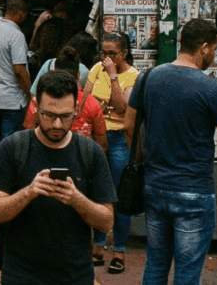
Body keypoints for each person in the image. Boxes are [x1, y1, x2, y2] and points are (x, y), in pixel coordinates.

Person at [128, 19, 217, 285]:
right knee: (187, 272)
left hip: (155, 186)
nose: (213, 56)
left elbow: (129, 125)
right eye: (214, 49)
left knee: (156, 265)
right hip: (194, 192)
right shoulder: (212, 89)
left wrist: (141, 158)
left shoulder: (148, 77)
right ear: (204, 47)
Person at [0, 70, 117, 285]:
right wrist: (29, 192)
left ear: (76, 109)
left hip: (76, 275)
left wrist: (76, 199)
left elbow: (106, 221)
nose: (57, 125)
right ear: (36, 108)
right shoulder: (12, 148)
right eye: (49, 115)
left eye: (66, 116)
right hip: (21, 275)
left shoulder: (90, 152)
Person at [82, 32, 141, 272]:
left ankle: (119, 250)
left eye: (112, 54)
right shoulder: (96, 69)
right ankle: (97, 245)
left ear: (124, 54)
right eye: (103, 53)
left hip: (118, 139)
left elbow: (123, 108)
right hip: (96, 136)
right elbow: (86, 100)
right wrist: (103, 107)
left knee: (119, 196)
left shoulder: (133, 76)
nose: (106, 58)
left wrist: (114, 78)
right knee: (97, 193)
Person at [23, 47, 107, 151]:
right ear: (78, 74)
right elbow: (102, 144)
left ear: (54, 71)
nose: (57, 125)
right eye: (49, 115)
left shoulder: (38, 101)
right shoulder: (91, 103)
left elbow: (28, 137)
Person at [0, 0, 32, 165]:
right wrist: (30, 93)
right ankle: (5, 180)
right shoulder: (16, 35)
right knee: (9, 144)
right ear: (20, 13)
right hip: (12, 100)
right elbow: (19, 69)